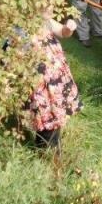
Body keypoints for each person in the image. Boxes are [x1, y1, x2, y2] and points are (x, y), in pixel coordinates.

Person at [27, 12, 82, 151]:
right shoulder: (21, 28)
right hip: (42, 83)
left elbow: (63, 32)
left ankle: (49, 150)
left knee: (56, 114)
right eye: (47, 6)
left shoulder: (46, 21)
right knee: (47, 116)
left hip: (57, 81)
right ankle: (48, 154)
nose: (51, 10)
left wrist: (68, 28)